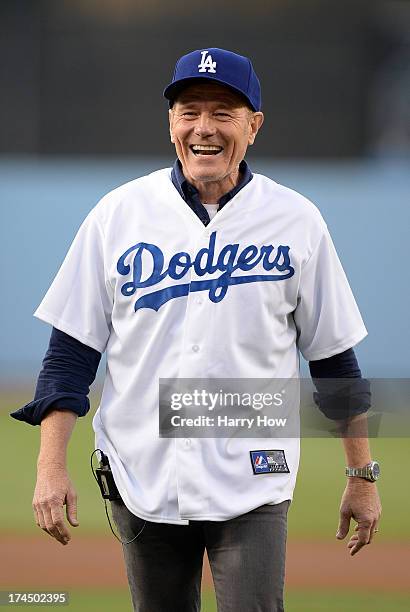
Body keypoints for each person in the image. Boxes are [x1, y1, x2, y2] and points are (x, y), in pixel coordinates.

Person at [11, 48, 381, 612]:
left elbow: (334, 362)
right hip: (140, 470)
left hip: (255, 466)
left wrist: (362, 474)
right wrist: (50, 467)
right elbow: (69, 356)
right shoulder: (119, 215)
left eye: (224, 112)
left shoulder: (297, 220)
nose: (203, 128)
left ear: (254, 126)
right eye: (189, 111)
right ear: (170, 124)